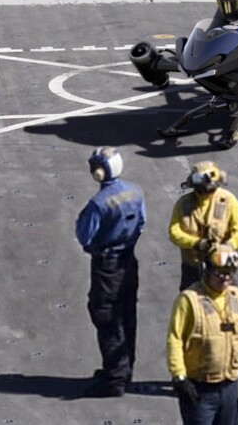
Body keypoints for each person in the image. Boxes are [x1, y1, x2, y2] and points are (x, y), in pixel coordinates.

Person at [166, 244, 238, 424]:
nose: (225, 278)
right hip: (200, 391)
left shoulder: (236, 297)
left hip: (229, 388)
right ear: (207, 270)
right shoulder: (188, 300)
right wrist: (179, 376)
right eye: (220, 273)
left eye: (230, 273)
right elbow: (175, 339)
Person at [75, 146, 146, 398]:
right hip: (128, 260)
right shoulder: (135, 192)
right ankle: (124, 370)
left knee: (106, 316)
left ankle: (114, 379)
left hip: (107, 266)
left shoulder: (98, 203)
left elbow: (85, 234)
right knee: (127, 315)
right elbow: (141, 224)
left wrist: (93, 247)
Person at [168, 161, 238, 291]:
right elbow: (174, 232)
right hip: (192, 268)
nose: (205, 192)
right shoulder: (183, 204)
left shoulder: (228, 201)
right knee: (190, 302)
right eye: (201, 189)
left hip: (222, 268)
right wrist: (197, 243)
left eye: (209, 189)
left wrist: (227, 246)